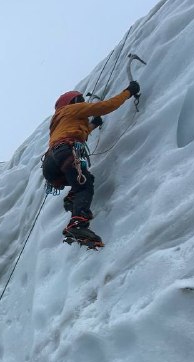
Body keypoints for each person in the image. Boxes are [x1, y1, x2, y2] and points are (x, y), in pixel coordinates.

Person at [42, 80, 141, 246]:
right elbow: (106, 106)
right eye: (79, 101)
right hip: (66, 151)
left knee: (86, 179)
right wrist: (128, 92)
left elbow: (76, 129)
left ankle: (73, 199)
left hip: (51, 165)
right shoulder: (72, 109)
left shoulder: (60, 120)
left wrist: (93, 124)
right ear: (73, 102)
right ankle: (78, 223)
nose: (82, 104)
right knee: (84, 185)